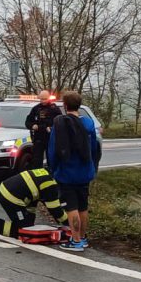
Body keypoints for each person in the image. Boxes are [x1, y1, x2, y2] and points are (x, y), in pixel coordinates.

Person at [47, 90, 102, 252]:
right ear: (79, 105)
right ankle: (83, 238)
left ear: (64, 106)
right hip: (85, 171)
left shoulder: (60, 124)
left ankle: (75, 240)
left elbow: (53, 151)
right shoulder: (89, 124)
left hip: (67, 172)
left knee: (71, 208)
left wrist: (53, 169)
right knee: (83, 207)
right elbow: (94, 149)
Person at [0, 166, 69, 240]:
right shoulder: (50, 184)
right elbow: (55, 210)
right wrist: (69, 223)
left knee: (29, 226)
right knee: (23, 231)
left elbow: (35, 195)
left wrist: (30, 215)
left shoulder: (47, 173)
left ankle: (0, 224)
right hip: (11, 197)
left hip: (15, 192)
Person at [24, 90, 62, 168]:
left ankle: (51, 175)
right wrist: (32, 125)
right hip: (38, 138)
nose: (43, 101)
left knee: (51, 160)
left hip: (50, 138)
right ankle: (38, 178)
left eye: (45, 99)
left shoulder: (54, 109)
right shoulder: (36, 109)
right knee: (36, 161)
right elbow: (28, 122)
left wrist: (51, 128)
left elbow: (60, 123)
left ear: (49, 98)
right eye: (41, 99)